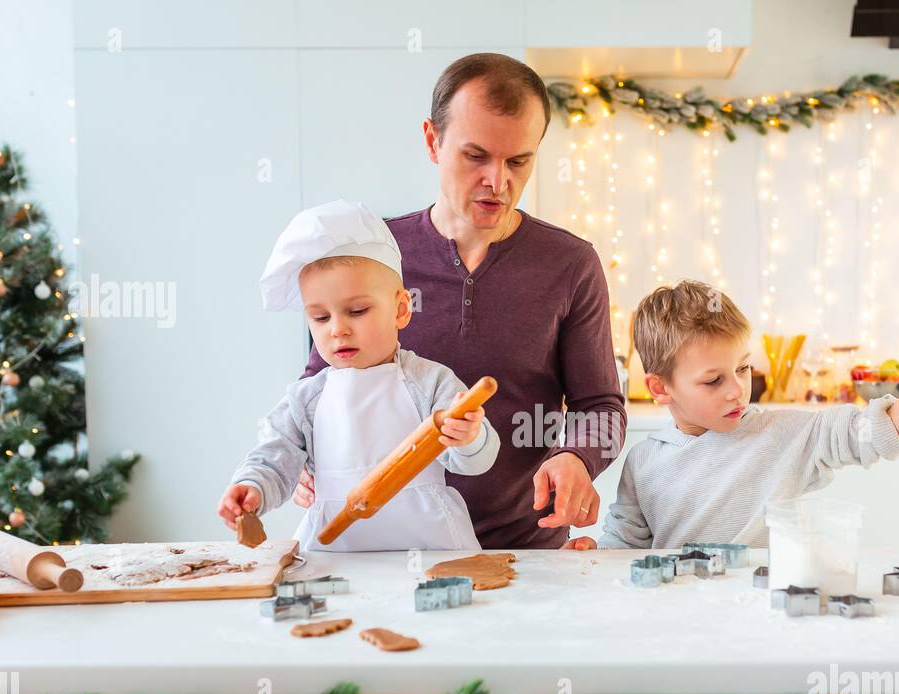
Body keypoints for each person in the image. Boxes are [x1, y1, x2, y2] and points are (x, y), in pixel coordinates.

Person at [294, 53, 625, 550]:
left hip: (523, 551)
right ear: (433, 141)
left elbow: (600, 406)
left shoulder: (571, 264)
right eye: (477, 156)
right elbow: (318, 385)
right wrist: (306, 455)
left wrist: (578, 457)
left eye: (519, 161)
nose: (499, 181)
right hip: (383, 550)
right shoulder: (371, 255)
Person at [590, 280, 899, 548]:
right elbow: (623, 547)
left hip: (768, 623)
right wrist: (593, 560)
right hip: (684, 633)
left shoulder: (784, 434)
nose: (737, 389)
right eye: (713, 380)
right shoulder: (644, 463)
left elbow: (885, 433)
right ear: (660, 388)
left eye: (742, 368)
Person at [219, 200, 497, 552]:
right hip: (335, 553)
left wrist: (470, 437)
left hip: (430, 549)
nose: (338, 330)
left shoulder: (431, 383)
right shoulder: (305, 399)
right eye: (320, 318)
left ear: (400, 309)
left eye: (357, 310)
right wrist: (252, 487)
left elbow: (475, 462)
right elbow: (274, 458)